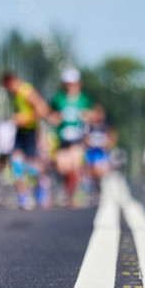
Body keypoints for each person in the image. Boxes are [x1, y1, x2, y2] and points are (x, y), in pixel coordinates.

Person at [1, 72, 51, 209]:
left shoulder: (26, 91)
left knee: (33, 164)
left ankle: (43, 184)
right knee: (15, 162)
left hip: (30, 131)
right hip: (21, 131)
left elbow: (43, 110)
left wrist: (24, 118)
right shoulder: (15, 95)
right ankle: (24, 196)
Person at [50, 68, 92, 208]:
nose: (71, 85)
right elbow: (51, 114)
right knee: (63, 168)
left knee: (75, 167)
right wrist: (55, 119)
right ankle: (68, 191)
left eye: (73, 83)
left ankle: (72, 196)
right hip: (62, 140)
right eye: (68, 83)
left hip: (77, 140)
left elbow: (90, 115)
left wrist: (86, 118)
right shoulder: (58, 99)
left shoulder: (84, 99)